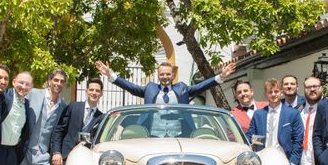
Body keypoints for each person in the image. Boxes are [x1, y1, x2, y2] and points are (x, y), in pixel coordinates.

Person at [95, 60, 235, 104]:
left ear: (173, 75)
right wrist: (110, 75)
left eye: (168, 74)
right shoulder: (150, 88)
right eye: (162, 74)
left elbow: (202, 85)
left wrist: (220, 76)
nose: (165, 77)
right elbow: (131, 87)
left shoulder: (182, 88)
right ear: (158, 75)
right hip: (154, 134)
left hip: (180, 132)